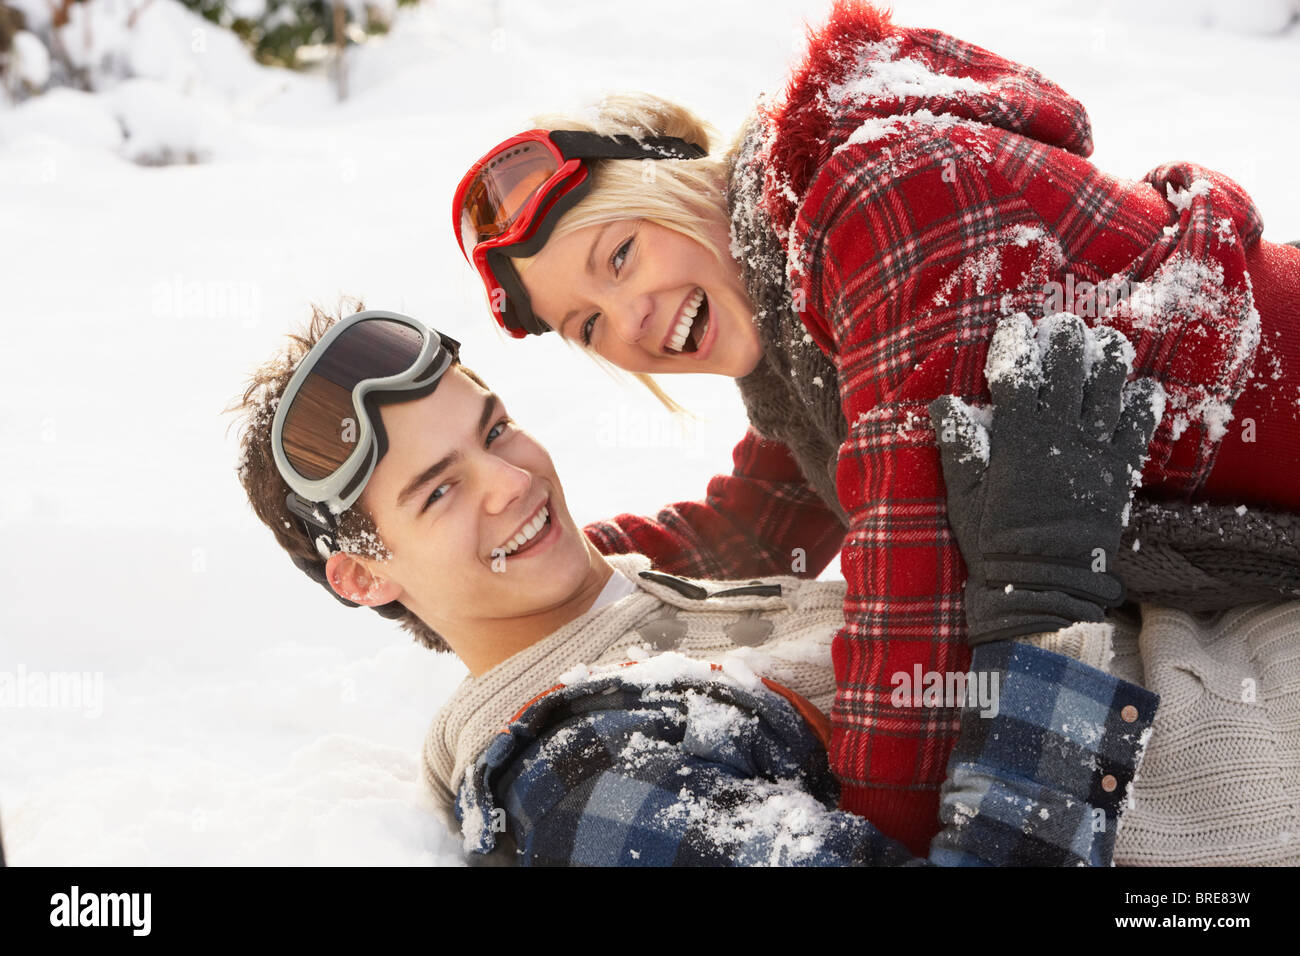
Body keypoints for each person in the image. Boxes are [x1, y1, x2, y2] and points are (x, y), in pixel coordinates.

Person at [450, 0, 1300, 851]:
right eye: (587, 325)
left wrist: (880, 837)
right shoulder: (792, 325)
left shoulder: (881, 201)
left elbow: (914, 596)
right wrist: (497, 575)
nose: (629, 319)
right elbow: (756, 528)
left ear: (675, 180)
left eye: (621, 254)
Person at [230, 305, 1161, 865]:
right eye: (439, 491)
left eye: (496, 428)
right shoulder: (585, 773)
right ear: (361, 575)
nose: (511, 481)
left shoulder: (628, 588)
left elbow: (755, 509)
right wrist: (1044, 601)